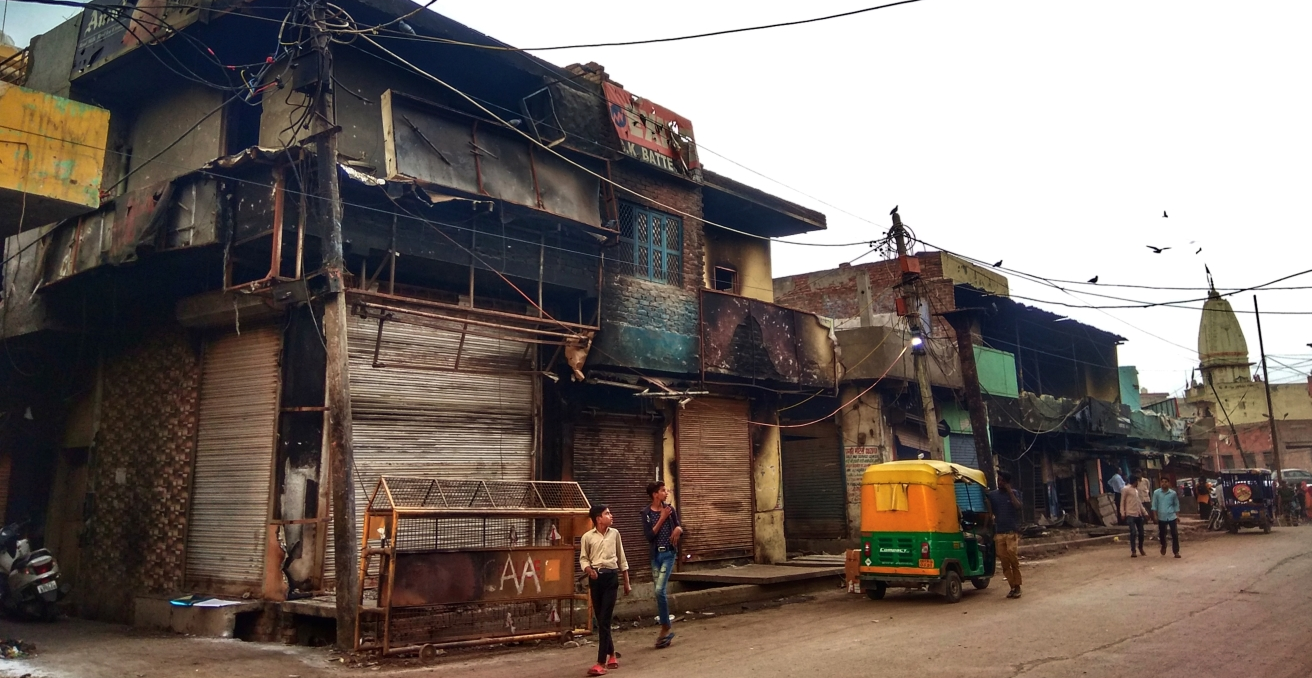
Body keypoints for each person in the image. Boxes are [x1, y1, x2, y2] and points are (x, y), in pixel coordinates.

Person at [579, 505, 631, 676]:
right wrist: (589, 570)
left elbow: (621, 558)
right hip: (595, 579)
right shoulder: (587, 537)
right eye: (607, 514)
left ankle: (601, 663)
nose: (611, 516)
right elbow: (584, 558)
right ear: (598, 519)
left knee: (604, 619)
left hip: (611, 579)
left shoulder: (615, 534)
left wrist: (626, 582)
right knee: (601, 619)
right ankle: (612, 655)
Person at [641, 481, 683, 649]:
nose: (666, 493)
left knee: (659, 590)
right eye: (663, 491)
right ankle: (665, 626)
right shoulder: (645, 513)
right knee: (659, 593)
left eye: (666, 490)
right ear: (655, 494)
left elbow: (679, 525)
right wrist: (662, 518)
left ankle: (665, 626)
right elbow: (649, 536)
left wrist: (679, 530)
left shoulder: (670, 509)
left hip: (668, 554)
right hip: (655, 556)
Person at [987, 471, 1024, 599]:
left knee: (1012, 556)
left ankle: (1018, 585)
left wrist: (1010, 492)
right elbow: (990, 510)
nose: (999, 482)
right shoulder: (992, 495)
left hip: (1011, 532)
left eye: (1002, 480)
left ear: (1007, 482)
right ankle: (1012, 586)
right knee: (1004, 561)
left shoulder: (1014, 493)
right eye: (999, 480)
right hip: (999, 533)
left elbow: (1018, 506)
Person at [1151, 478, 1181, 558]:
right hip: (1161, 517)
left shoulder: (1173, 493)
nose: (1164, 484)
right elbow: (1154, 505)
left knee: (1174, 534)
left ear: (1168, 483)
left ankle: (1176, 551)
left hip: (1171, 516)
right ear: (1160, 483)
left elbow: (1176, 505)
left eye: (1166, 482)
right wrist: (1155, 516)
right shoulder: (1156, 493)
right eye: (1162, 482)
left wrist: (1177, 515)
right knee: (1162, 533)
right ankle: (1163, 545)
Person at [1120, 475, 1148, 557]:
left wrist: (1145, 513)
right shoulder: (1126, 489)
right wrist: (1122, 513)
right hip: (1130, 514)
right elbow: (1122, 502)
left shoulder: (1136, 491)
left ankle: (1140, 547)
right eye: (1137, 481)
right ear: (1135, 481)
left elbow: (1139, 503)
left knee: (1141, 533)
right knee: (1133, 532)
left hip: (1138, 513)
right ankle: (1133, 550)